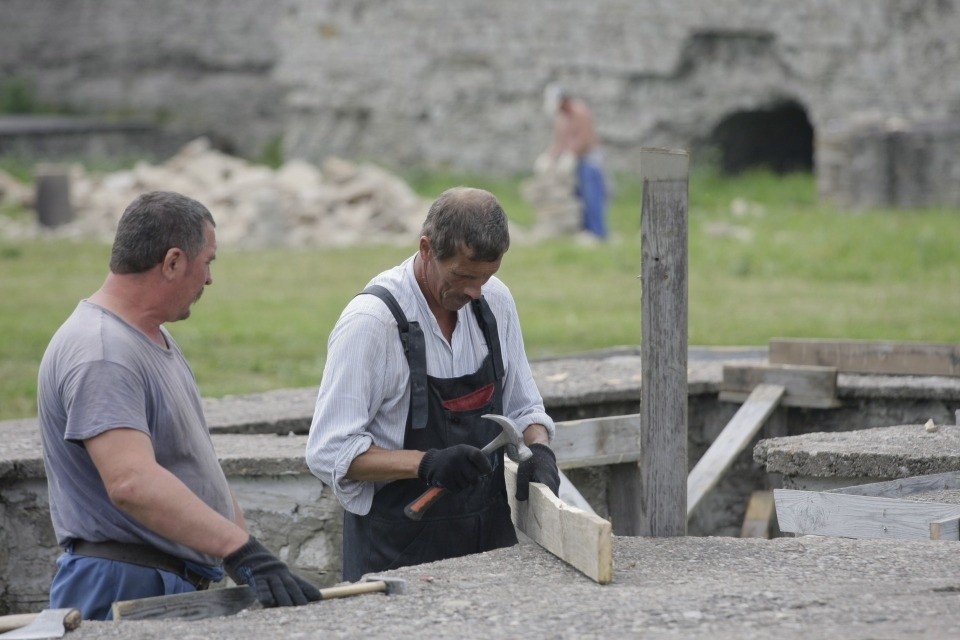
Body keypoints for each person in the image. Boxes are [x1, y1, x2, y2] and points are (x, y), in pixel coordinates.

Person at [37, 191, 321, 620]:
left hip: (161, 577)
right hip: (126, 582)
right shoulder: (103, 351)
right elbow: (131, 481)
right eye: (207, 262)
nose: (209, 279)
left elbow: (192, 461)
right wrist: (239, 549)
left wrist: (244, 556)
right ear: (172, 262)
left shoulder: (151, 337)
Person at [306, 187, 561, 582]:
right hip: (397, 551)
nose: (476, 291)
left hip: (487, 544)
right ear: (426, 249)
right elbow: (329, 452)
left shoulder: (494, 301)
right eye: (463, 276)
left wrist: (540, 447)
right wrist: (426, 464)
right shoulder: (372, 323)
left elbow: (523, 407)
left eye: (487, 276)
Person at [545, 84, 608, 239]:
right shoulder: (561, 118)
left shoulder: (580, 112)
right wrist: (549, 157)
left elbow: (586, 139)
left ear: (564, 101)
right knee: (579, 199)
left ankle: (598, 233)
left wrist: (571, 154)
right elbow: (559, 142)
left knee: (592, 197)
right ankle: (586, 231)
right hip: (577, 162)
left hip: (590, 161)